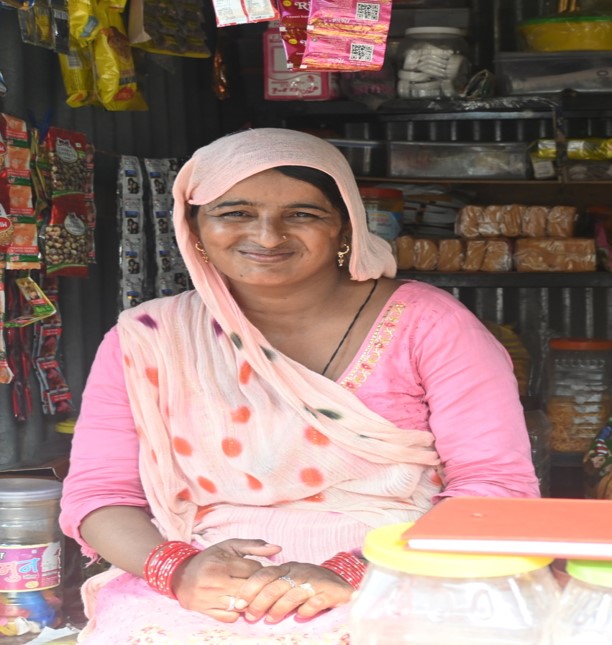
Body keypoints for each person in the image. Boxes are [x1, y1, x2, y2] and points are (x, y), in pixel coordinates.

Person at [59, 128, 540, 644]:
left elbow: (496, 489)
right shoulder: (149, 338)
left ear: (346, 229)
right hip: (209, 578)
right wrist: (178, 570)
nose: (267, 236)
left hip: (405, 569)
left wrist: (356, 574)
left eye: (303, 214)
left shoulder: (430, 325)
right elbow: (99, 496)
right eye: (235, 212)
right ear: (193, 227)